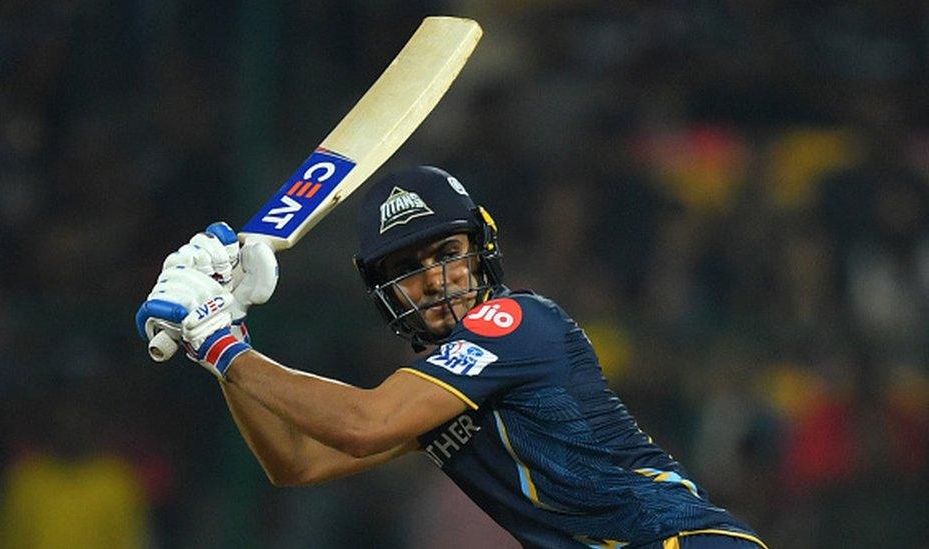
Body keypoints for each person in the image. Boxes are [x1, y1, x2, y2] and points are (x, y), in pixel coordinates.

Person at [136, 166, 767, 548]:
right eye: (408, 269)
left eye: (447, 253)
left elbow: (362, 426)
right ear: (384, 293)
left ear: (481, 249)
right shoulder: (440, 391)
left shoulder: (518, 320)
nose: (436, 280)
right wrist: (228, 339)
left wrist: (215, 339)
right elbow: (295, 462)